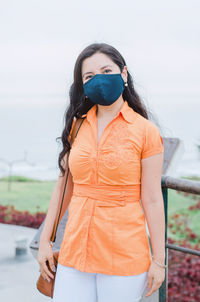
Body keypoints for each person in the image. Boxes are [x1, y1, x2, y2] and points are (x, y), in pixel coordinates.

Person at [37, 42, 166, 302]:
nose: (99, 80)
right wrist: (45, 242)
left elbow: (152, 199)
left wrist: (159, 261)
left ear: (124, 74)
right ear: (83, 85)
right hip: (75, 250)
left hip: (123, 254)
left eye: (106, 70)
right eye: (89, 76)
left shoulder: (145, 131)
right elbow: (64, 187)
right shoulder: (77, 124)